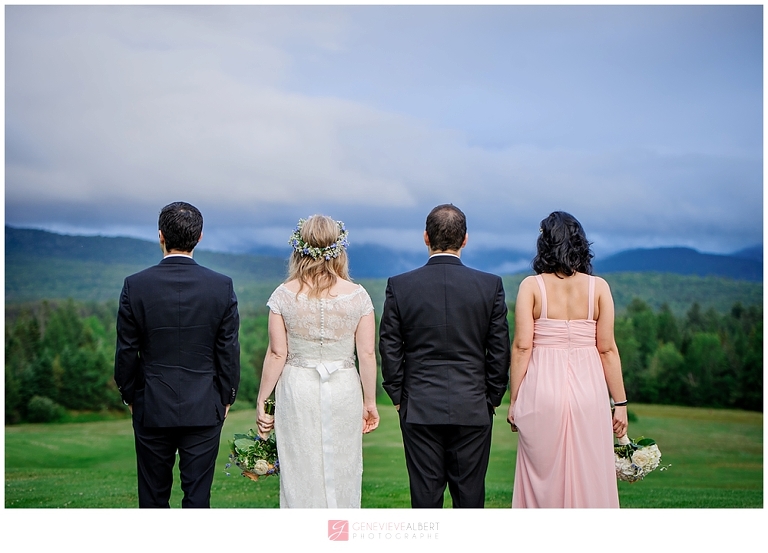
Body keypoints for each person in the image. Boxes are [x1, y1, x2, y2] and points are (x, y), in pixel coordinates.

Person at [379, 204, 511, 508]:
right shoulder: (490, 286)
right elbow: (499, 348)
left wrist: (398, 396)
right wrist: (492, 397)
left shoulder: (400, 286)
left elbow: (390, 345)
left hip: (419, 405)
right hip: (473, 404)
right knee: (470, 499)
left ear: (426, 237)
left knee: (425, 500)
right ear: (465, 239)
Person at [114, 201, 240, 508]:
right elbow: (227, 350)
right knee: (198, 499)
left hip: (152, 404)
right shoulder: (221, 286)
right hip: (204, 404)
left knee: (152, 499)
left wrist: (130, 396)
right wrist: (226, 397)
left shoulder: (135, 285)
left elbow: (127, 350)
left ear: (160, 235)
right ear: (199, 237)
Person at [256, 215, 379, 508]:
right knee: (343, 466)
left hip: (298, 389)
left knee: (299, 467)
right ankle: (338, 528)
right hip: (344, 389)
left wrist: (263, 399)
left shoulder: (283, 295)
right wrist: (370, 402)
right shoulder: (358, 296)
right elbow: (366, 354)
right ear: (339, 248)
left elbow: (277, 353)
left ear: (299, 248)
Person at [507, 211, 628, 508]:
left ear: (544, 244)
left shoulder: (531, 286)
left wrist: (515, 400)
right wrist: (621, 404)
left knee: (542, 478)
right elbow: (607, 349)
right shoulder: (599, 287)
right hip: (589, 393)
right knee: (590, 474)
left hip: (541, 391)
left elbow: (522, 347)